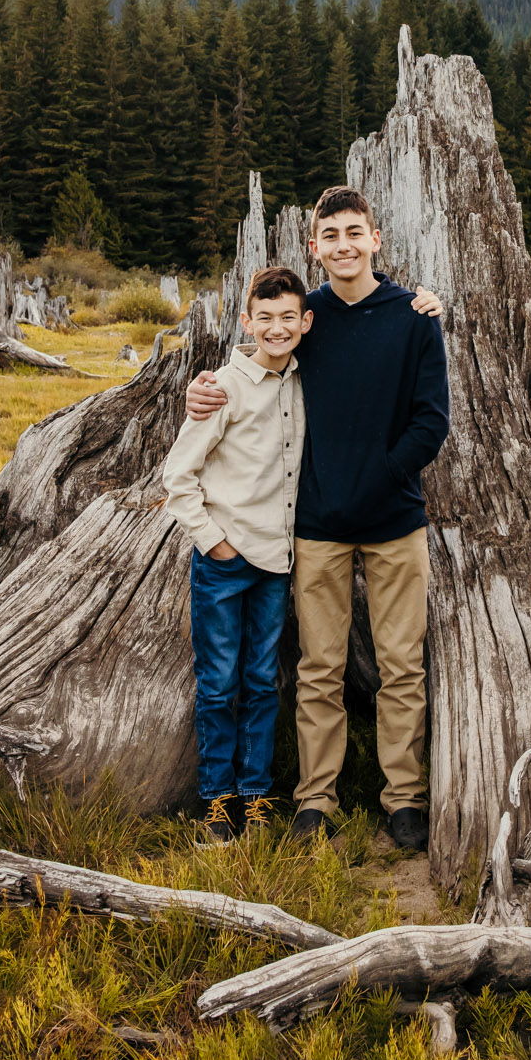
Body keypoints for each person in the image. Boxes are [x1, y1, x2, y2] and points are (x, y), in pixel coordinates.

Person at [188, 185, 449, 853]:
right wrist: (202, 386)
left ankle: (404, 799)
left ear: (375, 238)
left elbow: (431, 421)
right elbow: (258, 361)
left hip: (396, 520)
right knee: (318, 668)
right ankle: (314, 800)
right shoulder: (309, 318)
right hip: (318, 525)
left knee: (401, 667)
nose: (343, 245)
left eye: (353, 232)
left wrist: (382, 475)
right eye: (329, 236)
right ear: (315, 247)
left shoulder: (414, 317)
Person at [162, 265, 313, 843]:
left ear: (305, 322)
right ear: (245, 322)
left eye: (288, 319)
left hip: (277, 563)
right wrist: (213, 541)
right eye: (264, 319)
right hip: (225, 564)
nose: (277, 329)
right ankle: (216, 800)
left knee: (260, 681)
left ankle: (255, 796)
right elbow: (179, 475)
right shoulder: (223, 387)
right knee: (219, 683)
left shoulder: (304, 381)